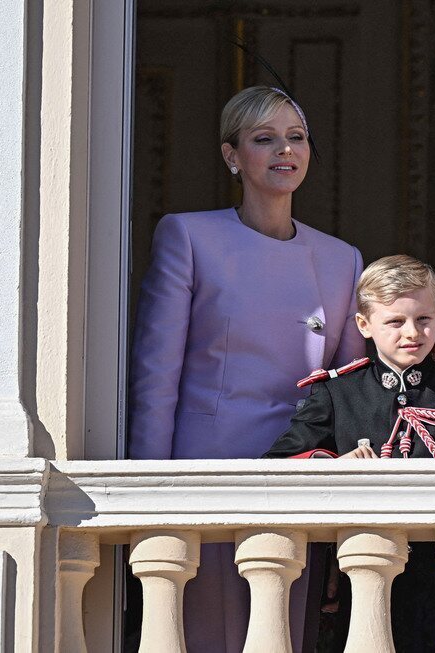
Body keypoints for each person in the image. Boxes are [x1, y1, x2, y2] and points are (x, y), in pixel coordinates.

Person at [127, 86, 364, 652]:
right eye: (265, 139)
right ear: (233, 156)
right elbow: (156, 376)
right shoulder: (189, 235)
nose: (285, 151)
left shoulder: (342, 258)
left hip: (300, 478)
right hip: (205, 475)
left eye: (296, 137)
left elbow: (353, 393)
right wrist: (149, 495)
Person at [265, 255, 435, 652]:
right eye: (395, 322)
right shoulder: (339, 392)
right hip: (362, 575)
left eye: (424, 319)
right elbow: (277, 466)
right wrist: (332, 466)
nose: (412, 332)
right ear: (364, 325)